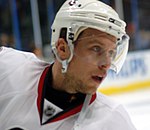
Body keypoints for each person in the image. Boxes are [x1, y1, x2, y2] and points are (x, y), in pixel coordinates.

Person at [0, 0, 136, 130]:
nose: (106, 63)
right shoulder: (8, 68)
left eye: (111, 52)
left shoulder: (114, 122)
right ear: (62, 48)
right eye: (96, 49)